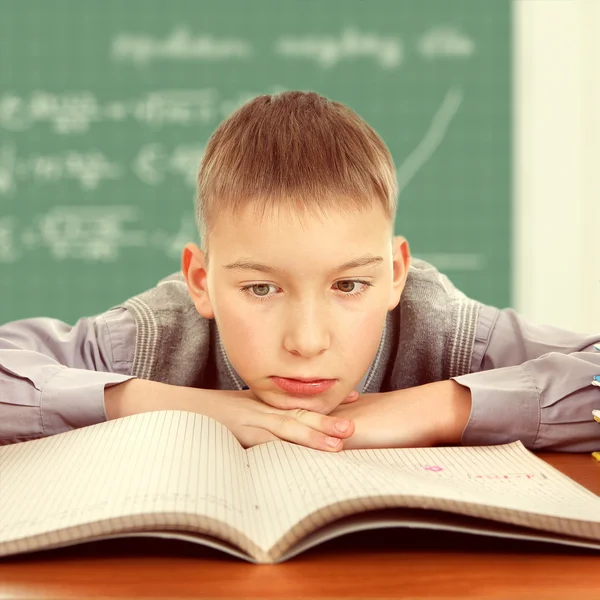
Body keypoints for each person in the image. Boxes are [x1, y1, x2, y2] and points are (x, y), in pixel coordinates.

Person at [1, 91, 599, 452]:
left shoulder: (443, 328)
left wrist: (441, 408)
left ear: (395, 273)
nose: (307, 342)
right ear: (201, 282)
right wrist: (176, 406)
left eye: (349, 285)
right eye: (260, 288)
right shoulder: (161, 331)